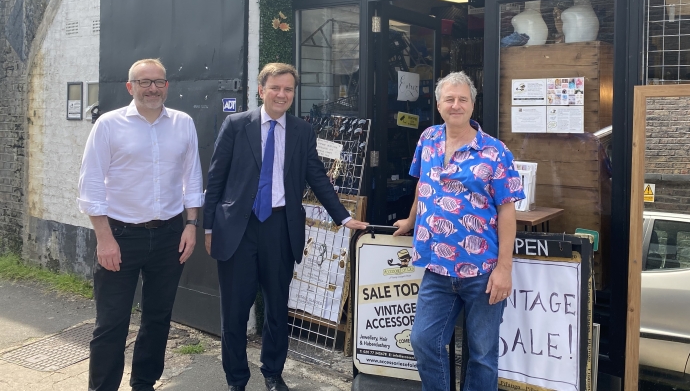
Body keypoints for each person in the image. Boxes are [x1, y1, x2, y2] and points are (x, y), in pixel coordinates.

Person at [203, 62, 368, 391]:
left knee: (278, 309)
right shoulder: (236, 125)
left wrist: (344, 217)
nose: (281, 94)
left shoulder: (302, 131)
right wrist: (208, 228)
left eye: (288, 89)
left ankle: (272, 373)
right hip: (239, 228)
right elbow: (216, 178)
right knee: (235, 312)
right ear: (261, 90)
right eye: (275, 88)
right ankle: (236, 379)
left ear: (294, 94)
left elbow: (317, 178)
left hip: (280, 228)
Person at [393, 71, 524, 391]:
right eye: (449, 99)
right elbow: (423, 186)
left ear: (472, 105)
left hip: (482, 270)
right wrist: (410, 221)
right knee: (423, 340)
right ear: (438, 105)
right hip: (437, 267)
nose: (456, 105)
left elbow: (508, 211)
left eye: (462, 99)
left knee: (481, 353)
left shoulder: (495, 151)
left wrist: (504, 269)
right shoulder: (428, 139)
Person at [78, 58, 203, 391]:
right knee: (111, 323)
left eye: (159, 81)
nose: (152, 88)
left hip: (169, 236)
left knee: (158, 319)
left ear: (167, 86)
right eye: (144, 82)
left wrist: (191, 224)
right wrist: (104, 239)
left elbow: (192, 178)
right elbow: (90, 184)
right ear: (130, 87)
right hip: (120, 236)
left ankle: (144, 383)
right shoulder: (108, 124)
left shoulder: (183, 123)